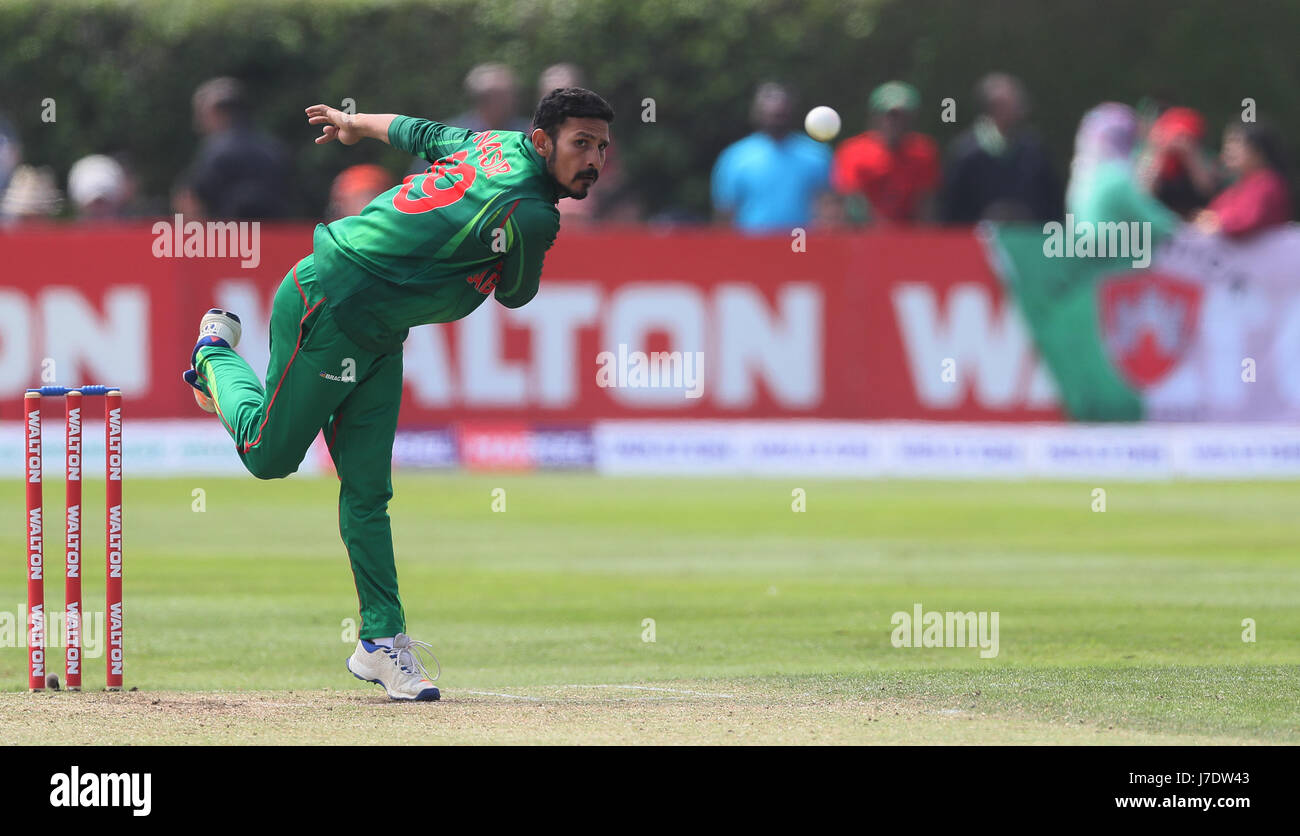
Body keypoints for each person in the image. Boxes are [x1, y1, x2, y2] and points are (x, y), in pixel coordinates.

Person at [182, 88, 614, 701]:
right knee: (267, 457)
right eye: (581, 144)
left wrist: (356, 124)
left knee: (368, 492)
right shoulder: (535, 214)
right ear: (542, 141)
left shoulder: (490, 144)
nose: (593, 158)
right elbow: (516, 295)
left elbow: (418, 132)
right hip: (330, 305)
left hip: (381, 328)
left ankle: (382, 643)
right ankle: (215, 355)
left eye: (600, 145)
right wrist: (487, 269)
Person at [939, 72, 1061, 223]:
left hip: (1028, 238)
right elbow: (951, 208)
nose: (1018, 109)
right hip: (976, 240)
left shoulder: (1034, 148)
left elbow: (1051, 201)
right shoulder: (966, 152)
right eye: (1007, 104)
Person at [711, 82, 831, 234]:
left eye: (781, 111)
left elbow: (830, 210)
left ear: (791, 110)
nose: (776, 110)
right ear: (757, 112)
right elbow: (725, 213)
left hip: (801, 245)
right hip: (752, 248)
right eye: (771, 109)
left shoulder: (816, 155)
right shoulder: (735, 157)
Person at [177, 77, 293, 219]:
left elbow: (192, 199)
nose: (197, 124)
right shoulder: (275, 148)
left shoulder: (215, 150)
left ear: (217, 112)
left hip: (230, 237)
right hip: (279, 236)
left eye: (202, 115)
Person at [831, 81, 940, 226]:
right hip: (863, 236)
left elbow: (926, 204)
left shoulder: (924, 152)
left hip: (910, 237)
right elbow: (853, 204)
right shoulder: (852, 152)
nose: (896, 122)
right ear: (875, 117)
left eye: (903, 116)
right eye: (890, 115)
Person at [1065, 103, 1179, 240]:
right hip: (1115, 257)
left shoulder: (1083, 175)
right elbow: (1159, 225)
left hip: (1092, 253)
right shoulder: (1116, 179)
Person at [1195, 122, 1292, 238]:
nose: (1228, 149)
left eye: (1236, 143)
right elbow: (1209, 214)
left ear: (1259, 151)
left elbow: (1245, 223)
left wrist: (1217, 223)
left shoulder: (1269, 184)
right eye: (1227, 143)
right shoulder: (1239, 186)